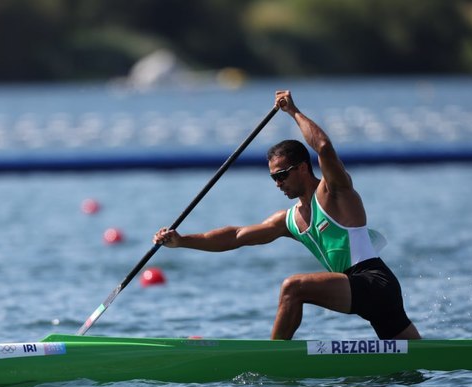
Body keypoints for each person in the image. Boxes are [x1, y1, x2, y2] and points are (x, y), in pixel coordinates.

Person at [154, 90, 421, 341]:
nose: (277, 183)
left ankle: (273, 357)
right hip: (358, 290)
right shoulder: (289, 220)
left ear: (303, 168)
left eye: (282, 175)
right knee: (415, 358)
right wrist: (181, 241)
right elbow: (236, 237)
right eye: (273, 177)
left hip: (373, 281)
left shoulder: (335, 191)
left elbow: (325, 147)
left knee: (293, 287)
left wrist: (293, 111)